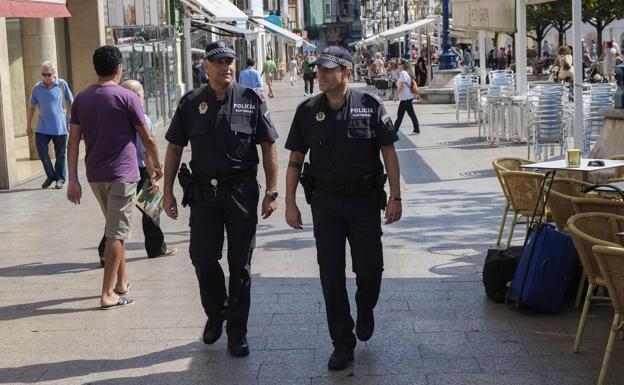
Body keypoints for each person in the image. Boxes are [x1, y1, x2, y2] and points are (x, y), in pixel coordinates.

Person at [284, 46, 402, 371]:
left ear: (346, 73)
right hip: (326, 205)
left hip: (364, 202)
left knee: (370, 270)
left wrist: (395, 196)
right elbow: (296, 158)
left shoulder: (370, 106)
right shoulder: (306, 110)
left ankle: (365, 308)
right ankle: (342, 343)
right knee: (330, 275)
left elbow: (389, 153)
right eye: (318, 69)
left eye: (327, 70)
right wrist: (289, 201)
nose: (320, 74)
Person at [162, 40, 279, 357]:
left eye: (229, 61)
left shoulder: (251, 100)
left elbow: (269, 145)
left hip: (241, 190)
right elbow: (174, 147)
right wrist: (167, 191)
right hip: (203, 193)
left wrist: (271, 191)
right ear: (206, 67)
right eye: (218, 62)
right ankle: (217, 312)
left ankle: (237, 332)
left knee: (240, 264)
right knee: (201, 256)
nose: (226, 66)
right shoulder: (190, 102)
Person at [67, 45, 163, 309]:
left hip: (95, 175)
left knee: (114, 230)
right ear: (119, 68)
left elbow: (72, 142)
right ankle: (107, 293)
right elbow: (148, 136)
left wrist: (72, 179)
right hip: (122, 174)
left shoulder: (81, 99)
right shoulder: (127, 98)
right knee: (117, 235)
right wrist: (157, 164)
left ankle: (122, 282)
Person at [96, 80, 177, 267]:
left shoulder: (112, 118)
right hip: (139, 169)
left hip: (115, 170)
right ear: (141, 96)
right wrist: (155, 175)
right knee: (152, 210)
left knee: (116, 214)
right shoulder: (142, 118)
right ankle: (156, 248)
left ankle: (104, 252)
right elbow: (145, 151)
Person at [27, 61, 74, 189]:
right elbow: (31, 107)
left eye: (48, 74)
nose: (46, 77)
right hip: (42, 127)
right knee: (42, 152)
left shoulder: (62, 84)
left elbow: (71, 102)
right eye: (43, 74)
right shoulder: (37, 88)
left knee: (60, 155)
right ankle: (51, 175)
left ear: (54, 73)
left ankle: (60, 179)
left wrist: (69, 120)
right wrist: (28, 125)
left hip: (60, 127)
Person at [394, 60, 420, 135]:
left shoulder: (403, 73)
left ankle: (393, 132)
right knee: (411, 114)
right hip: (408, 97)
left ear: (402, 65)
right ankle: (416, 129)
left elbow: (401, 86)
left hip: (405, 98)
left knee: (400, 116)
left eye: (399, 64)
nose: (398, 65)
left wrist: (396, 96)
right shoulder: (407, 73)